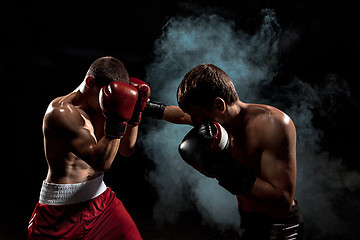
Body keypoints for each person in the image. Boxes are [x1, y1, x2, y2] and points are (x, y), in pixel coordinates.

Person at [175, 63, 304, 240]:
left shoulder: (273, 124)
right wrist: (146, 107)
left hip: (280, 227)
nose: (195, 123)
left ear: (219, 105)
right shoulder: (217, 122)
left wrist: (222, 169)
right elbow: (181, 115)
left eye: (196, 116)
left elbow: (282, 205)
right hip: (248, 222)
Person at [27, 56, 149, 239]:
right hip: (60, 211)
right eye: (103, 95)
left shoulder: (104, 106)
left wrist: (133, 117)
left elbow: (126, 150)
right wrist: (118, 121)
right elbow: (101, 161)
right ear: (90, 82)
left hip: (101, 202)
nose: (105, 103)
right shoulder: (60, 112)